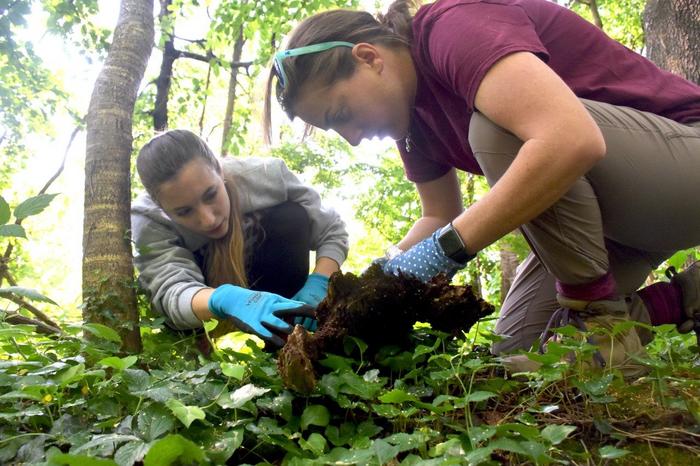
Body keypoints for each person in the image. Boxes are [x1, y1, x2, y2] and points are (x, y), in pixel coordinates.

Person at [263, 0, 700, 375]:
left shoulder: (451, 28)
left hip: (681, 168)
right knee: (519, 355)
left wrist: (447, 249)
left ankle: (600, 318)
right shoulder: (412, 123)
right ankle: (680, 299)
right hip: (614, 222)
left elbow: (569, 139)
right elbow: (439, 215)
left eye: (340, 114)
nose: (353, 138)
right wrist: (370, 283)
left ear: (368, 57)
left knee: (498, 130)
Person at [131, 129, 349, 348]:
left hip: (267, 270)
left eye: (211, 195)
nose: (208, 220)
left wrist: (320, 282)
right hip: (202, 298)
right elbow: (170, 293)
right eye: (184, 212)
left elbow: (331, 229)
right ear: (161, 208)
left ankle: (289, 326)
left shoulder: (264, 175)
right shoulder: (149, 220)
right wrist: (223, 299)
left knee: (291, 216)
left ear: (219, 170)